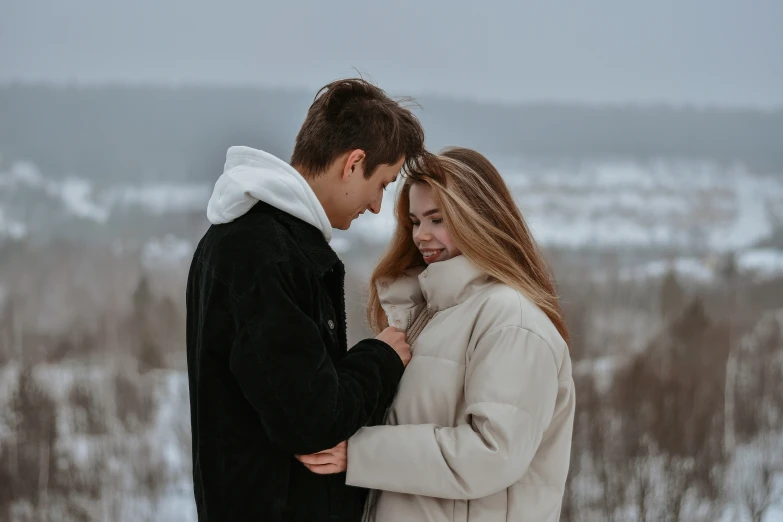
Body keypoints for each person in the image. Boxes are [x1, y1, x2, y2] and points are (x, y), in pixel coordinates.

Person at [186, 78, 428, 521]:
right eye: (383, 183)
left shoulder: (265, 242)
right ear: (353, 163)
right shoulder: (260, 253)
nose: (376, 206)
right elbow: (310, 421)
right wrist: (381, 359)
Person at [297, 148, 576, 522]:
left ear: (477, 217)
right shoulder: (429, 314)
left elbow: (492, 454)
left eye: (437, 219)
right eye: (414, 221)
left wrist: (360, 453)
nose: (421, 236)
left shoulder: (513, 321)